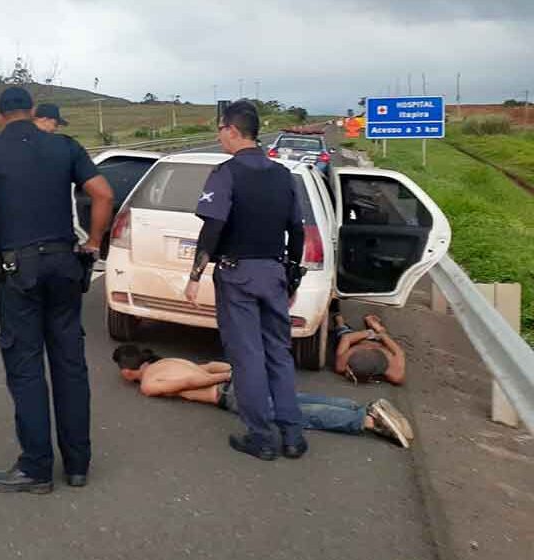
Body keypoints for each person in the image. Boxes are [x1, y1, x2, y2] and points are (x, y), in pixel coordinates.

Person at [0, 87, 114, 494]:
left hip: (20, 270)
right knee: (70, 364)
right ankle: (78, 465)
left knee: (26, 368)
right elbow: (104, 194)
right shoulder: (64, 146)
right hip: (64, 265)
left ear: (0, 114)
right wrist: (93, 242)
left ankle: (36, 468)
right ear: (31, 111)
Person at [184, 99, 307, 461]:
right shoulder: (283, 174)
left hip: (238, 274)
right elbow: (296, 231)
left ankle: (262, 437)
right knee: (278, 354)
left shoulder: (226, 173)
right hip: (274, 272)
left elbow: (214, 226)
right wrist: (292, 279)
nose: (219, 136)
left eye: (220, 129)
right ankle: (292, 436)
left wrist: (195, 276)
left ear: (233, 131)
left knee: (248, 357)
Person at [111, 345, 413, 448]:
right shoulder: (167, 362)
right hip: (235, 380)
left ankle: (366, 421)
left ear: (127, 370)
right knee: (296, 400)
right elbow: (205, 365)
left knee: (296, 414)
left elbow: (192, 379)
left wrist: (227, 376)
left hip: (227, 393)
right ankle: (359, 407)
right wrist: (237, 369)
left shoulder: (149, 383)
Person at [334, 313, 406, 385]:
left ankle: (341, 323)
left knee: (343, 333)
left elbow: (346, 338)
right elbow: (399, 352)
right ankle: (375, 328)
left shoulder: (345, 360)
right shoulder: (395, 373)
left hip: (365, 343)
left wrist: (371, 334)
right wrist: (379, 335)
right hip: (369, 343)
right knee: (380, 334)